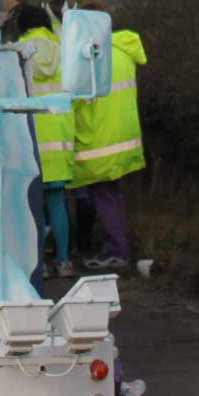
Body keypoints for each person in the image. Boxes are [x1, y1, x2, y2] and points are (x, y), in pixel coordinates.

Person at [0, 0, 76, 278]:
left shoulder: (22, 49)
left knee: (32, 205)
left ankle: (37, 264)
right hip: (60, 133)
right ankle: (65, 260)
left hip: (33, 135)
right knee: (57, 202)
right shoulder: (61, 45)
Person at [71, 21, 147, 271]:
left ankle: (117, 250)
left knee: (104, 195)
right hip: (124, 135)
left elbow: (77, 100)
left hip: (99, 139)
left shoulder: (90, 57)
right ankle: (116, 246)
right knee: (111, 194)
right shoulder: (124, 51)